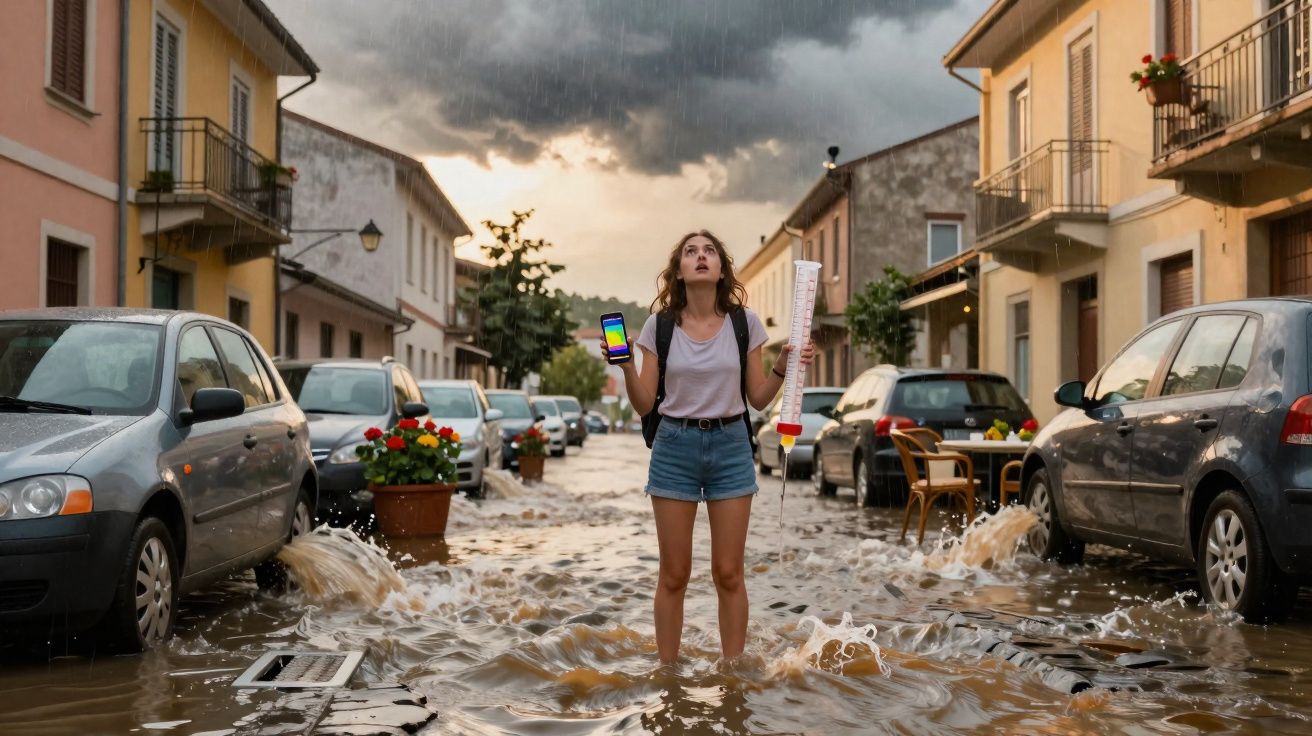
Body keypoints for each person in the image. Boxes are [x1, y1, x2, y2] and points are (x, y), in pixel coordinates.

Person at [599, 230, 814, 664]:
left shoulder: (744, 324)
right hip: (673, 447)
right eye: (690, 252)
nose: (701, 257)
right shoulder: (658, 326)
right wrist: (625, 368)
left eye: (710, 251)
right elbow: (645, 404)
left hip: (731, 444)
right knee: (674, 575)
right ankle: (668, 676)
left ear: (721, 268)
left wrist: (781, 366)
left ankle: (732, 675)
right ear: (678, 269)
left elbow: (756, 397)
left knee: (729, 574)